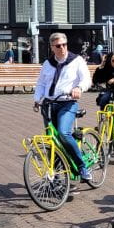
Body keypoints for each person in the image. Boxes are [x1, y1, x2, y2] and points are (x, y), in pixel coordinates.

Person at [33, 32, 93, 180]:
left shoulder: (77, 60)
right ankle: (55, 175)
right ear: (52, 47)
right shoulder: (47, 64)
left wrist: (79, 88)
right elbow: (41, 83)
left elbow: (86, 79)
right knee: (51, 139)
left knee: (63, 133)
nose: (62, 48)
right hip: (48, 104)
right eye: (58, 46)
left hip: (67, 102)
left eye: (64, 45)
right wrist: (37, 99)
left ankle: (82, 167)